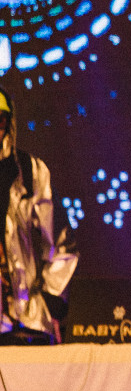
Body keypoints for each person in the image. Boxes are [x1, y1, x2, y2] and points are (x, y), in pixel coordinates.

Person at [0, 86, 78, 345]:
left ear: (9, 123)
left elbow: (62, 244)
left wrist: (50, 300)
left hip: (25, 322)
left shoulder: (29, 172)